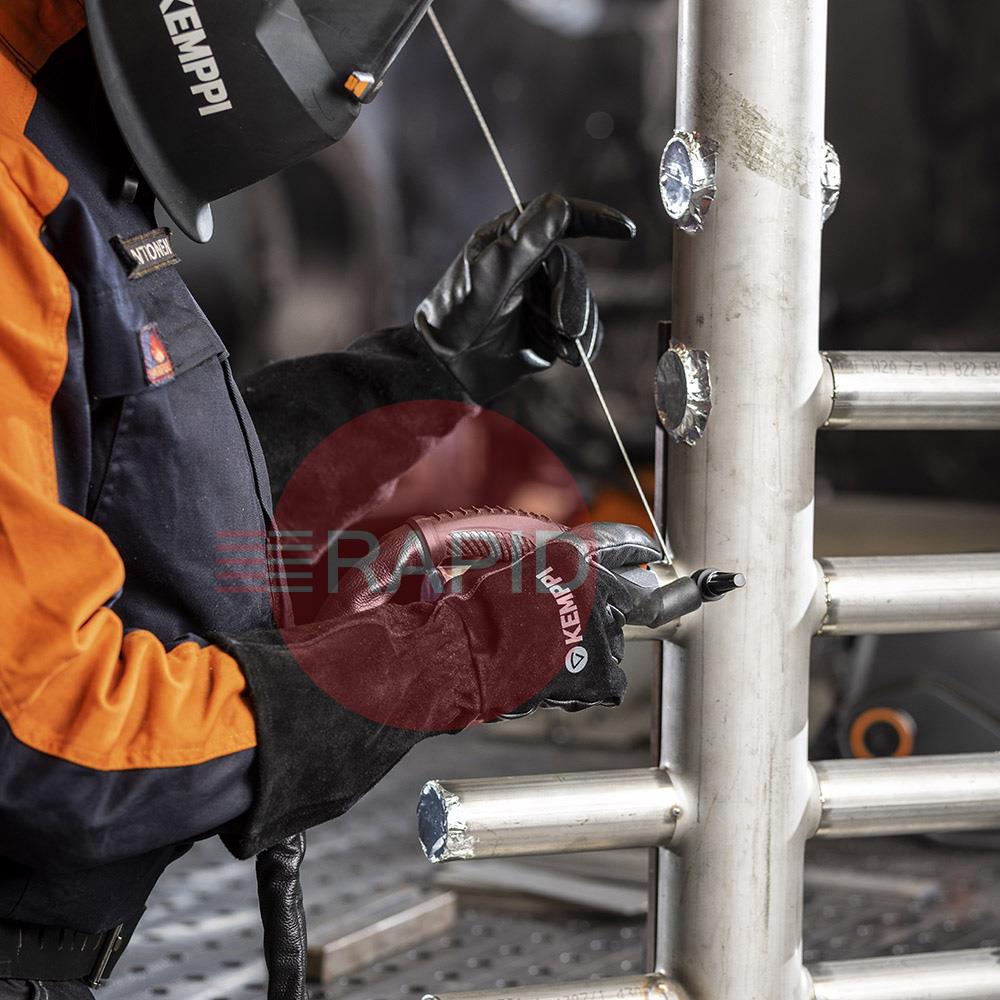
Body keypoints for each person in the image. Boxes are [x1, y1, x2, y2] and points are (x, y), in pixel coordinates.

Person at [0, 2, 666, 996]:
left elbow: (131, 510)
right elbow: (49, 745)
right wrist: (453, 655)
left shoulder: (55, 143)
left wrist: (425, 373)